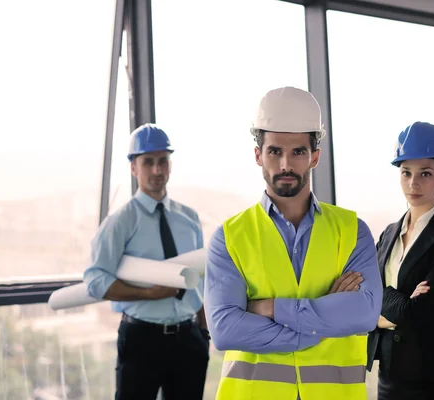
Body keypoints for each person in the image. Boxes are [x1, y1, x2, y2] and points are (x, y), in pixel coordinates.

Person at [204, 86, 383, 400]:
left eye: (298, 151)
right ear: (259, 155)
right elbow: (224, 329)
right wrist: (319, 325)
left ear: (314, 156)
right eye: (275, 151)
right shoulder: (230, 236)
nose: (286, 164)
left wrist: (270, 308)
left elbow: (364, 313)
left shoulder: (352, 230)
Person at [83, 123, 210, 400]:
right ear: (134, 168)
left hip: (189, 339)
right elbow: (95, 279)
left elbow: (199, 278)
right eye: (148, 162)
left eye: (163, 161)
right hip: (142, 339)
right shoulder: (121, 221)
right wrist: (147, 294)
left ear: (170, 165)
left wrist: (203, 332)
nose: (156, 170)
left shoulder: (189, 218)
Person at [366, 121, 434, 400]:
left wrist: (381, 304)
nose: (413, 183)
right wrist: (398, 305)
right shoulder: (389, 234)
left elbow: (420, 314)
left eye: (425, 173)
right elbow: (365, 301)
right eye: (406, 173)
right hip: (389, 377)